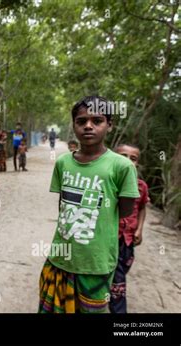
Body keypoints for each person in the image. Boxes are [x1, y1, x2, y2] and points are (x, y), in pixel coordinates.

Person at [39, 96, 139, 313]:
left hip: (96, 263)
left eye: (97, 121)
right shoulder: (63, 162)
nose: (88, 126)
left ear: (109, 125)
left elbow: (125, 210)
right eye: (81, 121)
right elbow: (63, 207)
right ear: (73, 125)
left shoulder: (122, 167)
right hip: (59, 258)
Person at [110, 144, 149, 313]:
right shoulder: (107, 181)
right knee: (117, 278)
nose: (128, 161)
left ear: (137, 163)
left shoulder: (141, 186)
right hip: (108, 238)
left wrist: (139, 229)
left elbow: (141, 208)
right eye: (123, 156)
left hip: (127, 240)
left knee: (120, 272)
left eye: (133, 158)